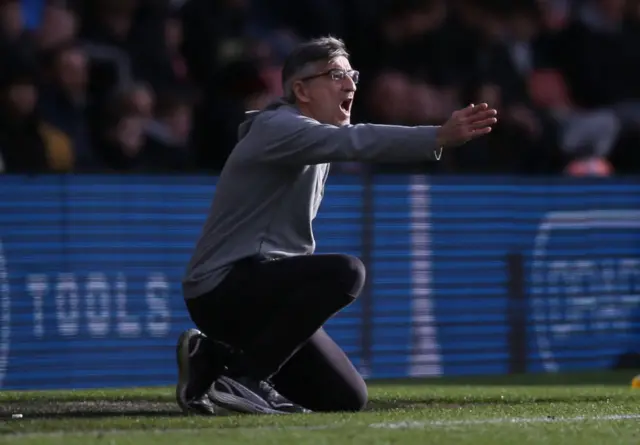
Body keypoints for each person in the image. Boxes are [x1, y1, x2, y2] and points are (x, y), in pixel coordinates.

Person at [175, 36, 498, 415]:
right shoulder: (281, 126)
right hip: (223, 289)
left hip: (259, 295)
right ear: (301, 89)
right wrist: (437, 136)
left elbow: (348, 141)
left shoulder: (312, 134)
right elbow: (357, 141)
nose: (350, 85)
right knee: (347, 273)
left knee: (346, 399)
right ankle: (243, 380)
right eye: (336, 75)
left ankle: (210, 358)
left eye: (352, 75)